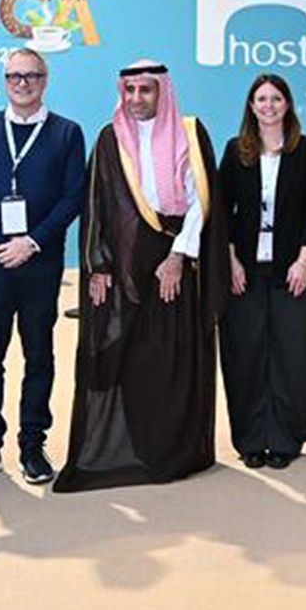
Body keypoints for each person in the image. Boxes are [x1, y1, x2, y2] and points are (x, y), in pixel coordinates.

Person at [55, 61, 228, 491]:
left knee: (171, 357)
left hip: (176, 260)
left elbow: (201, 202)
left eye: (145, 90)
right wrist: (98, 264)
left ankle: (172, 451)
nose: (136, 98)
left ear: (162, 91)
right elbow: (96, 203)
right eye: (129, 90)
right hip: (126, 266)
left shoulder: (191, 133)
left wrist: (177, 256)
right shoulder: (110, 137)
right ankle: (132, 449)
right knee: (132, 359)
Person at [0, 46, 86, 489]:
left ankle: (33, 445)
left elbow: (72, 196)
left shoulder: (67, 133)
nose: (23, 83)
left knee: (39, 355)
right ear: (5, 81)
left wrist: (30, 242)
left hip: (40, 261)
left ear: (44, 81)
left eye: (31, 75)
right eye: (14, 76)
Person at [219, 73, 306, 469]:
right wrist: (231, 261)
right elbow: (222, 210)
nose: (269, 106)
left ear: (288, 104)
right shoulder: (236, 151)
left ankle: (284, 440)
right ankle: (250, 440)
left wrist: (304, 260)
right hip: (245, 272)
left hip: (293, 271)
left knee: (292, 356)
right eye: (261, 99)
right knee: (246, 355)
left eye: (276, 99)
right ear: (251, 106)